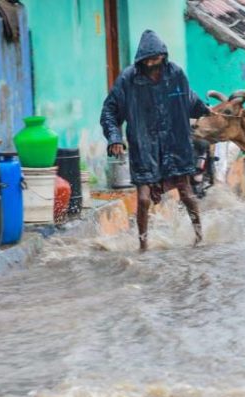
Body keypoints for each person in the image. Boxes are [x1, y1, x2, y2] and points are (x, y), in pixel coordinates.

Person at [100, 30, 210, 251]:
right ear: (141, 59)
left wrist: (209, 112)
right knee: (143, 199)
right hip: (144, 146)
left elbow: (190, 98)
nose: (152, 63)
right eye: (148, 59)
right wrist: (115, 137)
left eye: (156, 58)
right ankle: (143, 245)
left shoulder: (176, 74)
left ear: (163, 56)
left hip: (175, 145)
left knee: (186, 193)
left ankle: (200, 238)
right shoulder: (128, 79)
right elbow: (110, 111)